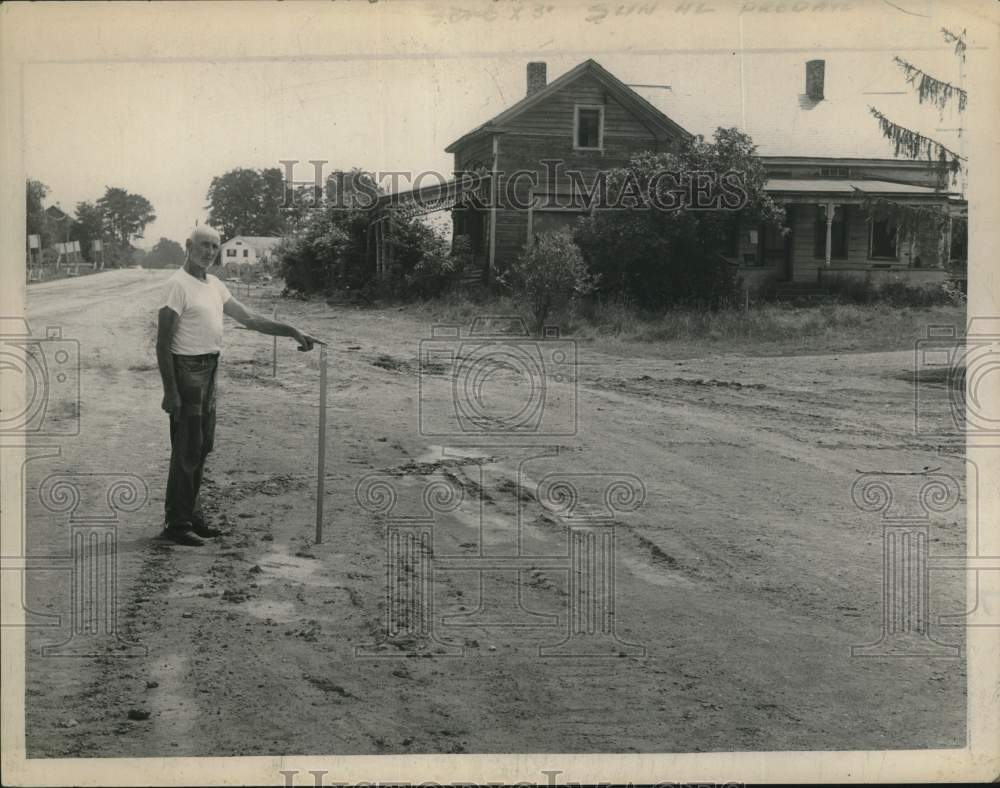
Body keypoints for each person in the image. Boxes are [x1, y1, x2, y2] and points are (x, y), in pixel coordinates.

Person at [156, 225, 321, 546]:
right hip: (186, 370)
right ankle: (176, 524)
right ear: (188, 245)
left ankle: (191, 515)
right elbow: (162, 344)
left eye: (214, 246)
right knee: (187, 448)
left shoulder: (215, 285)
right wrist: (170, 391)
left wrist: (291, 330)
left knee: (202, 446)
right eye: (203, 245)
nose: (208, 251)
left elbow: (250, 319)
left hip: (210, 368)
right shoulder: (176, 285)